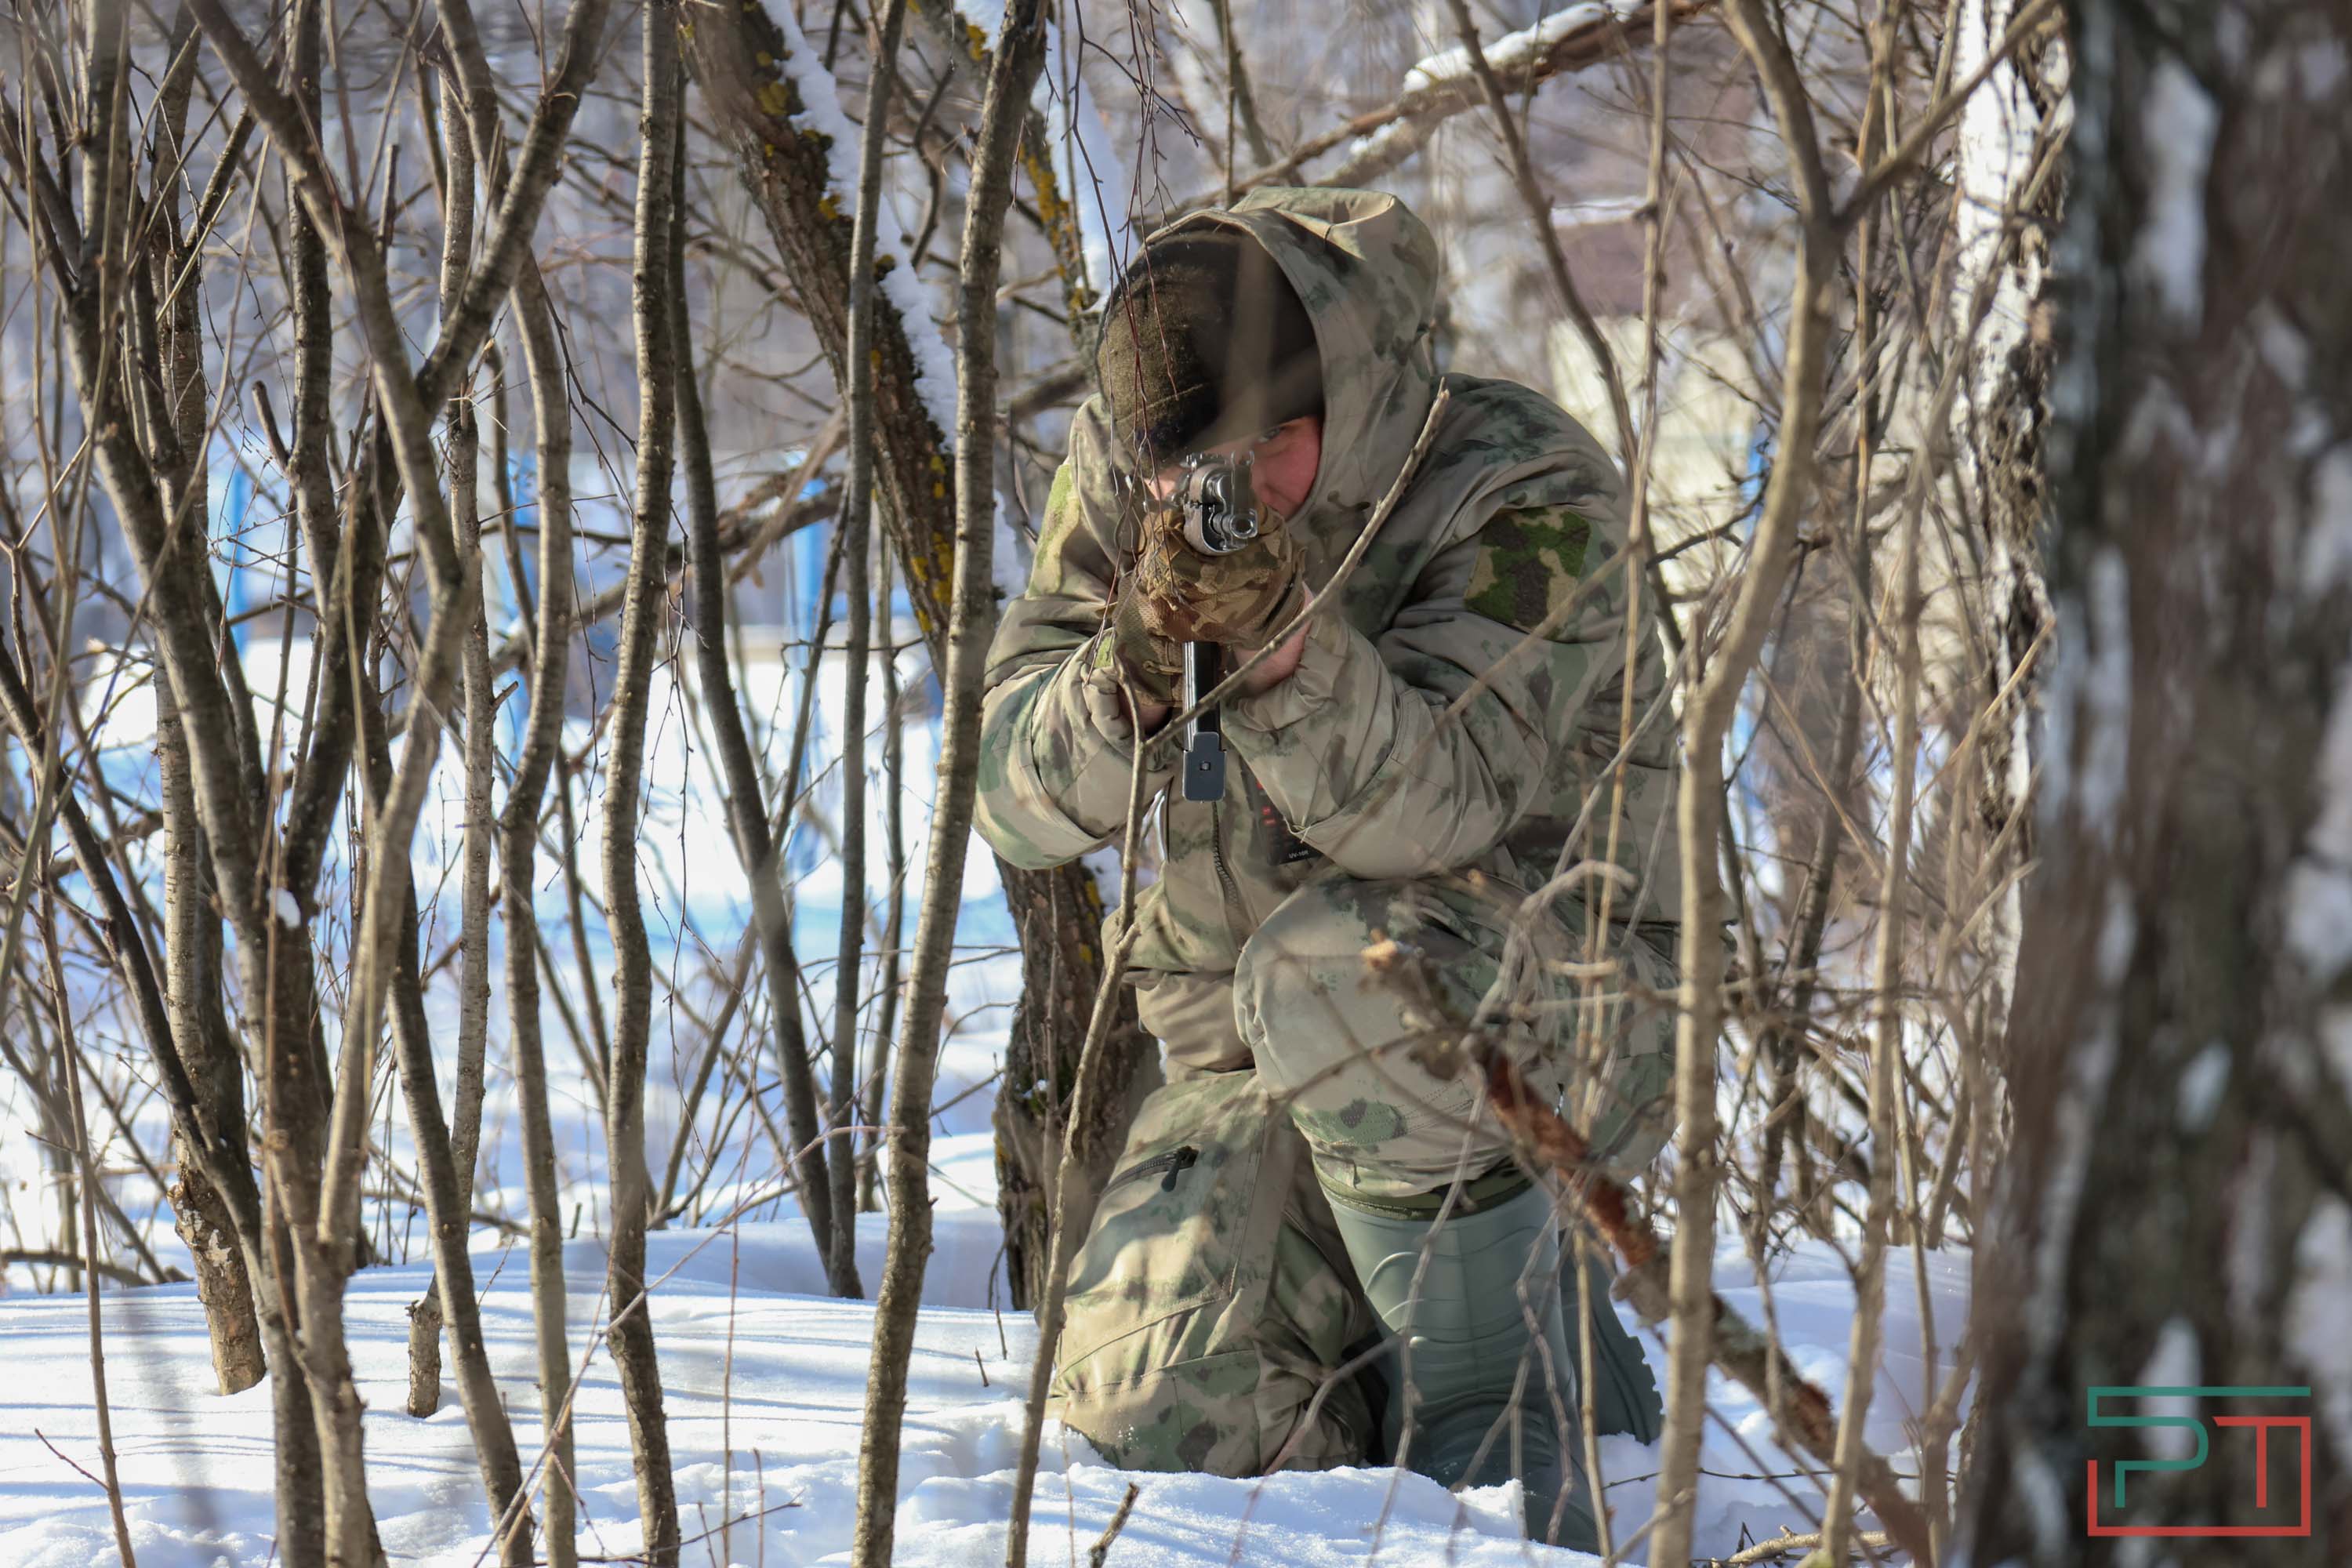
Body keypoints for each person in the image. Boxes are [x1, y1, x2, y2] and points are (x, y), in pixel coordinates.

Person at [973, 186, 1680, 1548]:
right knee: (1158, 1414)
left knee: (1339, 973)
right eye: (1181, 473)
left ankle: (1513, 1400)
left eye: (1260, 457)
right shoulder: (1143, 473)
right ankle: (1379, 1429)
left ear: (1335, 402)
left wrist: (1286, 653)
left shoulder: (1521, 484)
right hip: (1256, 1066)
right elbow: (1005, 795)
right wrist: (1126, 676)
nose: (1214, 502)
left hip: (1557, 1028)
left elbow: (1441, 816)